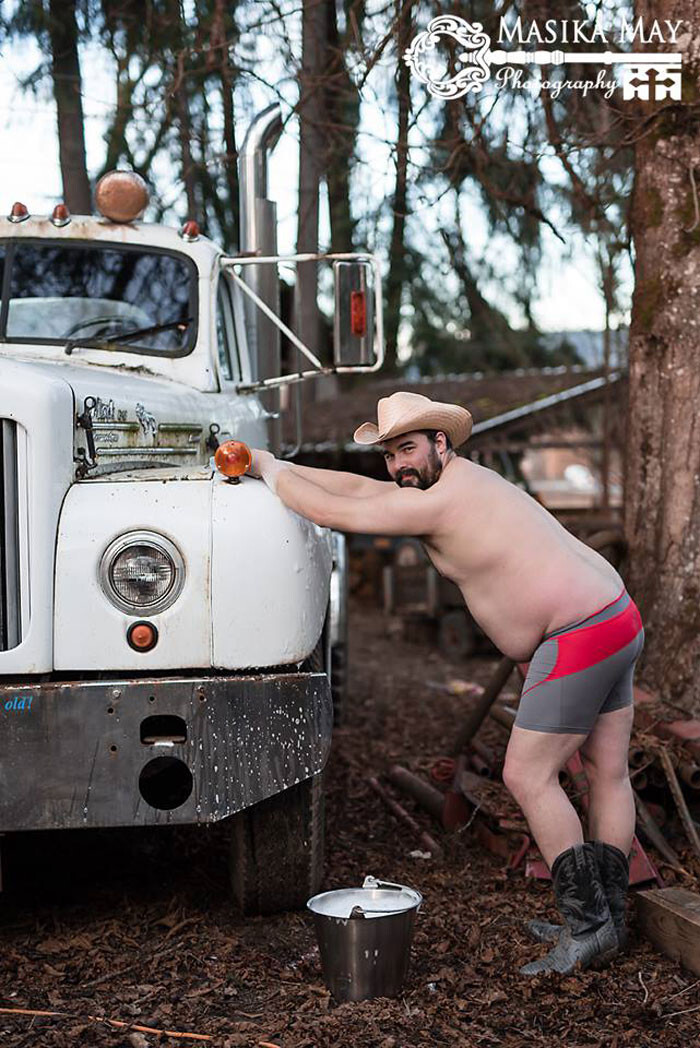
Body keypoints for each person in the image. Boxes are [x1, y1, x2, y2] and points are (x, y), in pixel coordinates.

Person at [249, 390, 644, 976]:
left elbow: (344, 513)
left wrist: (271, 473)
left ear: (441, 443)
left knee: (526, 773)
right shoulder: (455, 485)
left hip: (581, 630)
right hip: (616, 614)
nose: (397, 466)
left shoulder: (440, 501)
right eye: (389, 455)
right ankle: (609, 919)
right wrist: (269, 461)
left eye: (407, 449)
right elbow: (357, 488)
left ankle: (588, 928)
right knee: (606, 771)